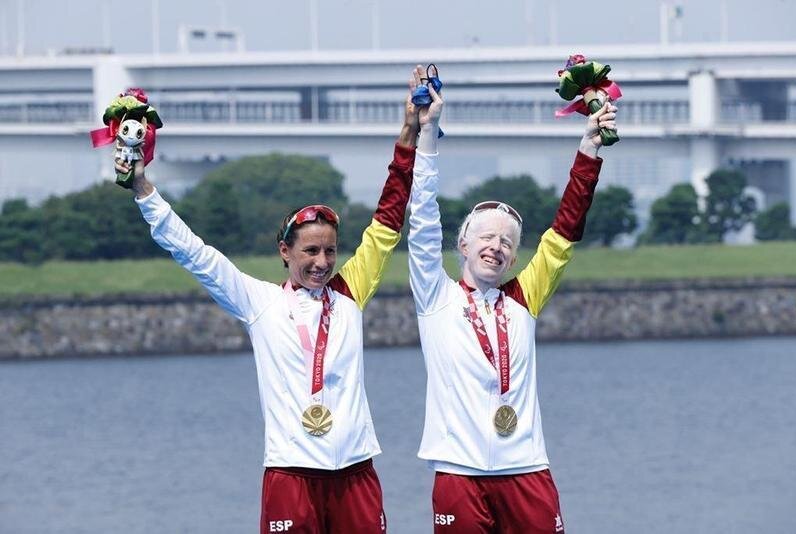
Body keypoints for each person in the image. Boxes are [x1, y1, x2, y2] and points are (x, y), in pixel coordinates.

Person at [116, 69, 425, 534]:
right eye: (310, 252)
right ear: (285, 252)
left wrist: (409, 133)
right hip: (290, 474)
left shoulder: (351, 290)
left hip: (356, 471)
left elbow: (387, 219)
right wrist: (144, 190)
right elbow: (194, 252)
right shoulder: (258, 302)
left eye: (329, 251)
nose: (322, 262)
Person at [407, 65, 618, 533]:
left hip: (525, 467)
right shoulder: (435, 296)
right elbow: (421, 221)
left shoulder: (526, 296)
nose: (496, 246)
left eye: (507, 241)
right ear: (462, 246)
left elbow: (565, 230)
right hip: (458, 473)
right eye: (485, 237)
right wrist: (429, 136)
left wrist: (589, 150)